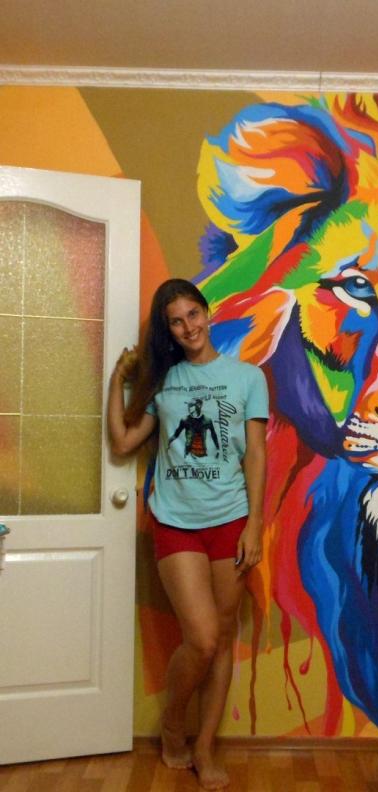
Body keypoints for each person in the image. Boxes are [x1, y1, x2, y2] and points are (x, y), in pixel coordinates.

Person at [108, 278, 268, 791]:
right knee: (200, 637)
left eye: (192, 314)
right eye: (175, 322)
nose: (187, 327)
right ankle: (173, 723)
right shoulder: (165, 382)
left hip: (231, 521)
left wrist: (255, 524)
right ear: (169, 330)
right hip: (176, 522)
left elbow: (255, 454)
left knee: (220, 640)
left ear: (206, 313)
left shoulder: (248, 378)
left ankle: (204, 747)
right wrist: (118, 381)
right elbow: (123, 441)